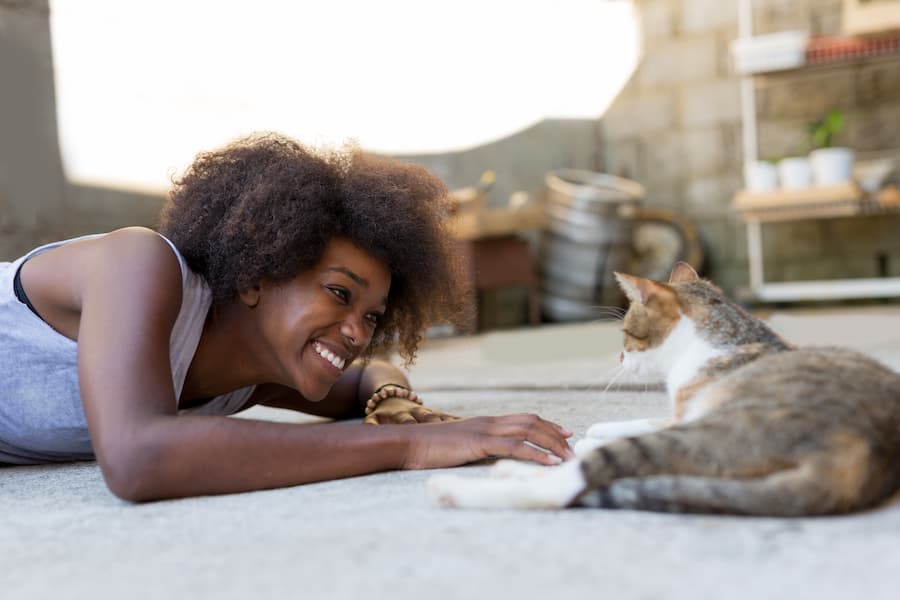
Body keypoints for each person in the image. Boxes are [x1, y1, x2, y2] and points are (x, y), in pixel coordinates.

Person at [0, 133, 572, 501]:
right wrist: (408, 448)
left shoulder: (255, 377)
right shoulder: (139, 265)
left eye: (373, 316)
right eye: (338, 293)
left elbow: (369, 378)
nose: (356, 332)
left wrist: (393, 405)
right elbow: (136, 458)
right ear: (257, 275)